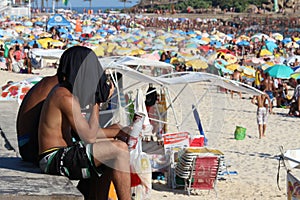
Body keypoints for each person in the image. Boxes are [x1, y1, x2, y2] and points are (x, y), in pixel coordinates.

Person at [38, 46, 131, 200]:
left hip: (62, 155)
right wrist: (96, 102)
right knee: (119, 149)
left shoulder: (65, 92)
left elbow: (88, 133)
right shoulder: (65, 97)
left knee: (110, 155)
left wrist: (116, 130)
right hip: (53, 159)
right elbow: (89, 137)